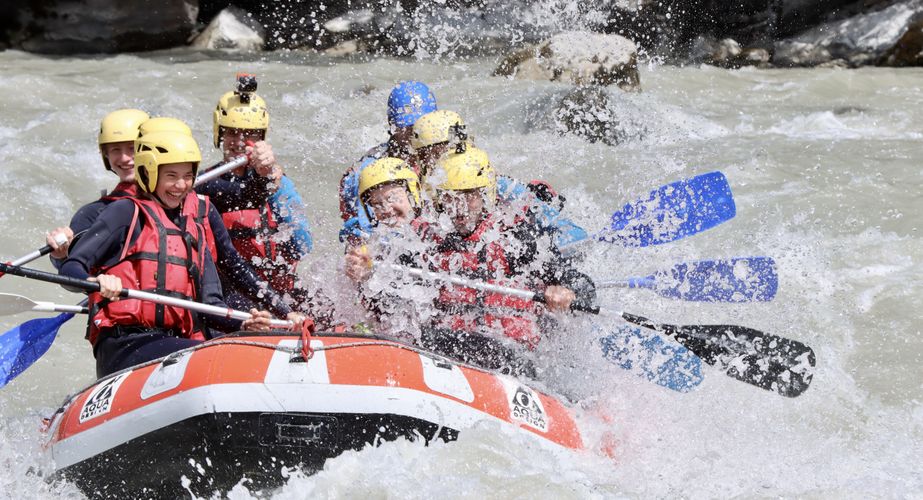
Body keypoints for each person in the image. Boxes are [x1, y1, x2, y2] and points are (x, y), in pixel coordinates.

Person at [60, 130, 276, 378]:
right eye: (171, 176)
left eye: (187, 176)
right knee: (219, 356)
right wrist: (94, 282)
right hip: (126, 344)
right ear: (148, 173)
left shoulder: (193, 225)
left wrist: (243, 324)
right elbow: (71, 268)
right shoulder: (124, 212)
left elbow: (208, 307)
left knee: (246, 351)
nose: (181, 185)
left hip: (173, 341)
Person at [418, 146, 597, 373]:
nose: (459, 208)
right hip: (446, 345)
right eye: (450, 198)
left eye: (468, 196)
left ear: (486, 194)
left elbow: (582, 285)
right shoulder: (429, 241)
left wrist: (566, 291)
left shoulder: (516, 240)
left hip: (511, 355)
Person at [197, 74, 311, 310]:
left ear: (262, 138)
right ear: (219, 133)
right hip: (232, 290)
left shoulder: (280, 182)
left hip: (278, 289)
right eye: (232, 132)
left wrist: (273, 182)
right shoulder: (205, 184)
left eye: (250, 134)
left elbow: (302, 245)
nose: (240, 142)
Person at [409, 110, 588, 248]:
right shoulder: (417, 191)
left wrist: (537, 252)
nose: (441, 161)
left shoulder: (498, 187)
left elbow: (574, 233)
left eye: (444, 151)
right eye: (427, 156)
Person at [46, 108, 150, 264]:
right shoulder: (93, 213)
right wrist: (60, 255)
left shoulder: (183, 194)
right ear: (106, 155)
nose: (124, 158)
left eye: (132, 148)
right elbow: (72, 272)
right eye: (115, 150)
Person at [339, 81, 437, 242]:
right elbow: (366, 231)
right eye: (407, 128)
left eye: (421, 126)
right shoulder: (367, 170)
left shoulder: (447, 158)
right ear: (393, 126)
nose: (414, 135)